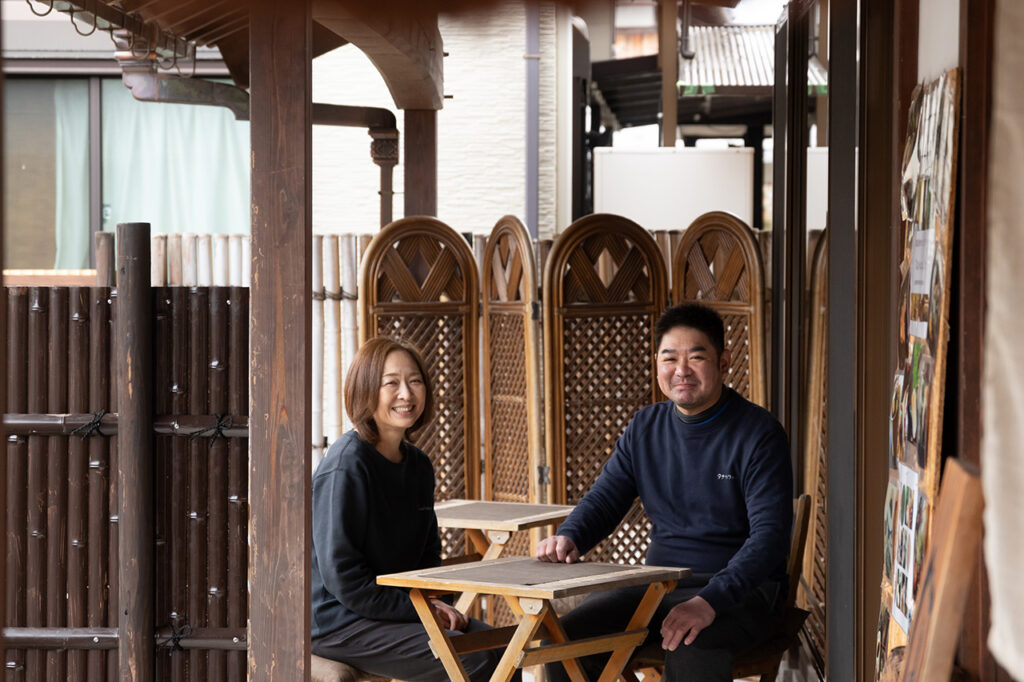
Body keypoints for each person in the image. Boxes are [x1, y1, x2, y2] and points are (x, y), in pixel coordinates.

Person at [537, 303, 793, 682]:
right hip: (657, 586)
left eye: (696, 357)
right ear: (656, 364)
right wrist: (569, 536)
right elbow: (605, 501)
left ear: (723, 363)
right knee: (565, 640)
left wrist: (710, 601)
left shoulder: (759, 434)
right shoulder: (645, 427)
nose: (681, 370)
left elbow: (769, 539)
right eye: (669, 358)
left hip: (741, 592)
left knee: (692, 644)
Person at [311, 336, 510, 681]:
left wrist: (437, 603)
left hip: (395, 611)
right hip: (338, 621)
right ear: (366, 391)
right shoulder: (347, 465)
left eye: (415, 381)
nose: (406, 393)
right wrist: (421, 611)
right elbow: (344, 577)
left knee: (506, 649)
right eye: (392, 383)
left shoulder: (418, 465)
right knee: (472, 663)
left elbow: (428, 556)